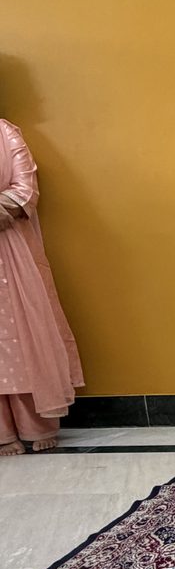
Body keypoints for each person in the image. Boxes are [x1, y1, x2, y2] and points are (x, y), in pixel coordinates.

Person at [0, 119, 83, 455]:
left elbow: (25, 189)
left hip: (7, 247)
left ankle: (34, 424)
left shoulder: (4, 133)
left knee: (20, 332)